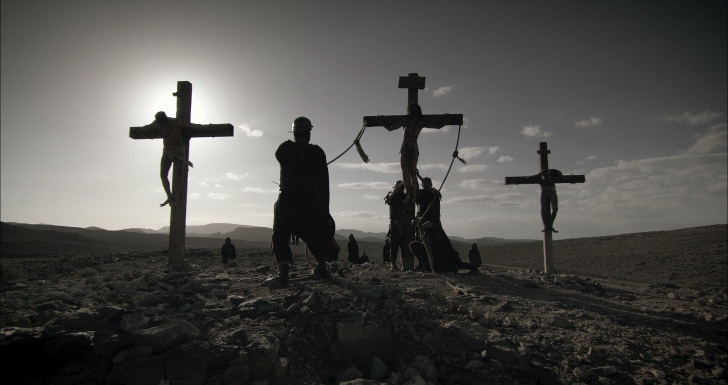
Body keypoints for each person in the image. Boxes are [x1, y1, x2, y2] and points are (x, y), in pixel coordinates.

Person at [270, 117, 340, 286]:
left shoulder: (284, 150)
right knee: (313, 234)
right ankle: (322, 266)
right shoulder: (317, 153)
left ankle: (283, 271)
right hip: (310, 201)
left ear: (294, 133)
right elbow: (323, 185)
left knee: (280, 233)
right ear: (308, 134)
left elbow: (282, 155)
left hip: (287, 201)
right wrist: (323, 210)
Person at [141, 111, 196, 207]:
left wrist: (210, 128)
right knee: (163, 174)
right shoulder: (157, 123)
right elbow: (147, 128)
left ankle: (178, 198)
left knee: (179, 175)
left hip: (179, 151)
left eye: (162, 121)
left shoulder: (176, 122)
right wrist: (138, 130)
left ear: (165, 119)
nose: (162, 124)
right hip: (167, 152)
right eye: (159, 122)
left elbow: (192, 126)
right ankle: (169, 196)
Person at [528, 169, 564, 233]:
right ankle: (548, 226)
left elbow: (560, 175)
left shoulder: (550, 177)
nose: (550, 178)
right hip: (547, 192)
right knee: (544, 209)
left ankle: (549, 226)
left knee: (552, 208)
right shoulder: (542, 179)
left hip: (550, 192)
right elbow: (532, 177)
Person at [384, 180, 406, 271]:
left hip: (404, 222)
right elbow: (391, 196)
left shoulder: (404, 196)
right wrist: (403, 182)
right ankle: (393, 263)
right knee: (394, 244)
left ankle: (404, 264)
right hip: (394, 223)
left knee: (404, 244)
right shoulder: (391, 196)